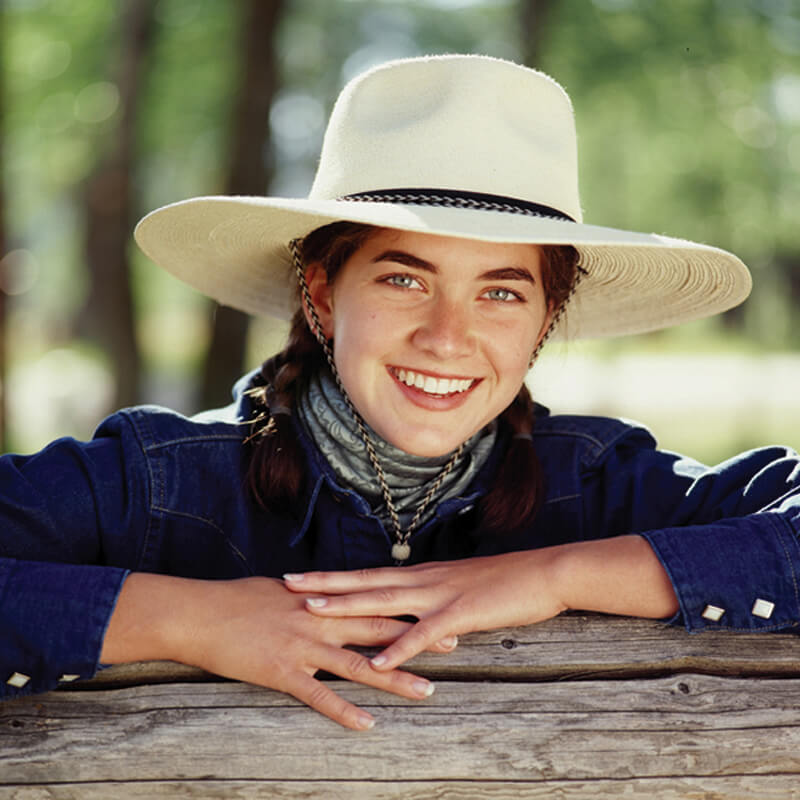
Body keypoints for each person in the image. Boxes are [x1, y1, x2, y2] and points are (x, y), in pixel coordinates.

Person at [2, 54, 798, 732]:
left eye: (502, 293)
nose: (448, 337)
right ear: (321, 291)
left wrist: (555, 575)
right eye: (403, 278)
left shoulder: (595, 478)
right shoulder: (159, 479)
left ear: (545, 320)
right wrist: (188, 617)